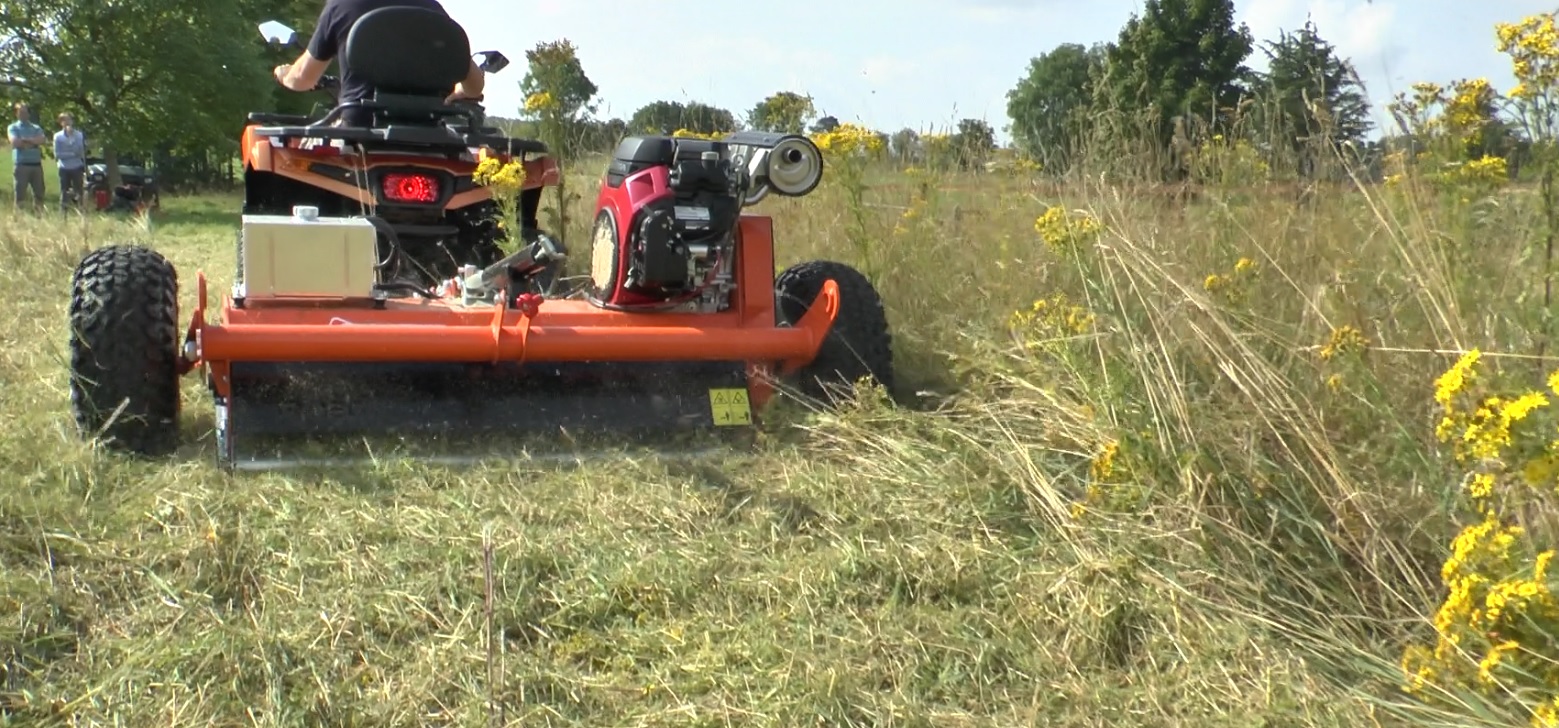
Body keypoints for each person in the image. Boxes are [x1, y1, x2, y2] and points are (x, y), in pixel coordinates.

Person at [272, 0, 485, 123]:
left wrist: (284, 74)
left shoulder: (341, 5)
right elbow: (475, 85)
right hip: (427, 129)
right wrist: (461, 91)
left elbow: (303, 79)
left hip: (360, 126)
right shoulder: (433, 10)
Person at [8, 102, 47, 212]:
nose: (23, 115)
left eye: (25, 112)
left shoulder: (36, 127)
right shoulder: (13, 127)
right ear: (16, 114)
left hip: (36, 165)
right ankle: (18, 218)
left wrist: (26, 141)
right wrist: (33, 142)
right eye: (21, 112)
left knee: (39, 193)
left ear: (29, 114)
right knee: (20, 194)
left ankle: (39, 217)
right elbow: (15, 142)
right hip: (21, 166)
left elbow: (42, 140)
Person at [53, 112, 87, 212]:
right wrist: (72, 154)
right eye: (64, 120)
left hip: (77, 167)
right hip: (64, 168)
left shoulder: (79, 135)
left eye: (69, 120)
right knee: (64, 191)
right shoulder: (57, 136)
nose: (67, 122)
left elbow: (80, 152)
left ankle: (82, 212)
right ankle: (63, 213)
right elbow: (58, 155)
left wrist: (72, 138)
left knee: (79, 191)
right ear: (61, 123)